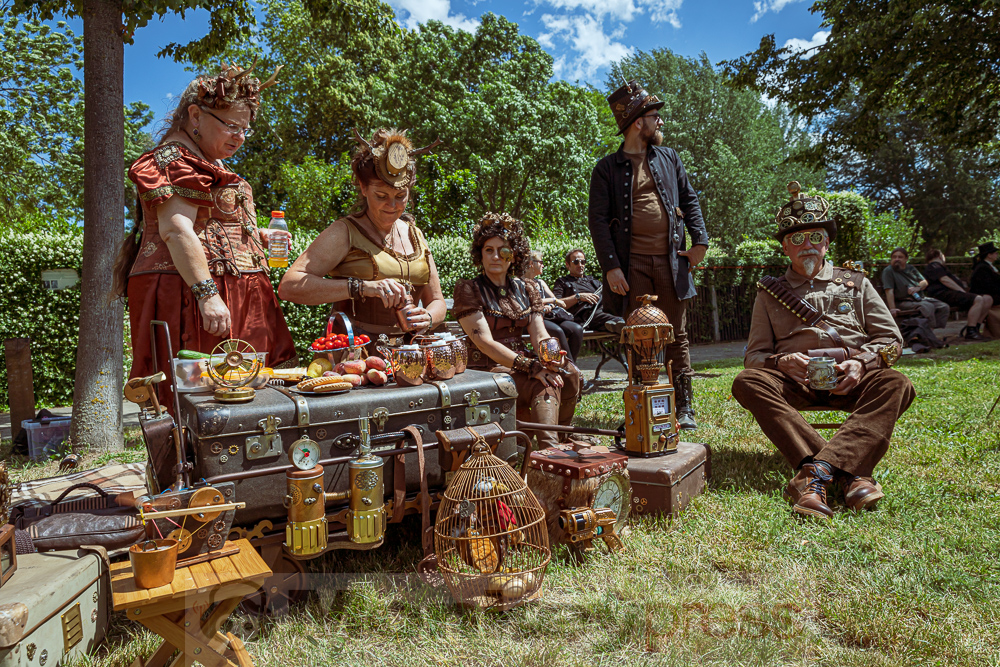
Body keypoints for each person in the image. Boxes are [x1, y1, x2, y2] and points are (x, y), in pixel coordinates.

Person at [113, 64, 296, 408]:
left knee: (247, 395)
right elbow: (176, 229)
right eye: (231, 126)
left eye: (245, 129)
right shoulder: (174, 160)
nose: (240, 137)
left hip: (236, 294)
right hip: (189, 296)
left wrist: (255, 236)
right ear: (195, 115)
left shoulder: (207, 160)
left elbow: (209, 224)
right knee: (202, 397)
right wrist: (207, 294)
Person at [731, 182, 914, 520]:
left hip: (851, 379)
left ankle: (814, 475)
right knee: (747, 382)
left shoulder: (856, 283)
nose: (808, 246)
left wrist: (862, 364)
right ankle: (850, 475)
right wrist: (781, 362)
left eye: (816, 237)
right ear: (785, 248)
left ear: (827, 243)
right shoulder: (770, 293)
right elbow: (754, 357)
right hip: (796, 383)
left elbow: (891, 340)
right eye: (797, 239)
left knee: (897, 383)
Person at [588, 79, 710, 430]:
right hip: (633, 266)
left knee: (676, 335)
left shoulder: (670, 157)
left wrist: (700, 242)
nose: (661, 122)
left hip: (672, 262)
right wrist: (611, 267)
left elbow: (690, 199)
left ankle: (684, 408)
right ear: (637, 122)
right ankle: (642, 406)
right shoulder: (606, 169)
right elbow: (598, 222)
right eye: (655, 116)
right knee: (640, 338)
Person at [278, 129, 446, 341]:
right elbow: (290, 286)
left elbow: (437, 301)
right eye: (381, 196)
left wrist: (428, 317)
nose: (392, 205)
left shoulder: (416, 235)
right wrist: (362, 287)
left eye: (400, 196)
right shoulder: (344, 232)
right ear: (363, 188)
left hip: (409, 351)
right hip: (355, 352)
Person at [453, 214, 582, 450]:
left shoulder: (527, 288)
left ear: (514, 255)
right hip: (485, 368)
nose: (495, 256)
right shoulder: (469, 289)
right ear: (480, 255)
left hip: (520, 364)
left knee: (570, 373)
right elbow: (484, 342)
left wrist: (553, 358)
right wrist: (531, 367)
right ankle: (548, 453)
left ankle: (561, 440)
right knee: (543, 383)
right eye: (488, 250)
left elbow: (540, 334)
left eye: (503, 251)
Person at [524, 250, 583, 363]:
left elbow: (556, 301)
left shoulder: (540, 282)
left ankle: (570, 365)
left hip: (549, 316)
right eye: (540, 262)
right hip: (533, 319)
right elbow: (529, 303)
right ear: (531, 263)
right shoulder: (520, 282)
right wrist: (551, 301)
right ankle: (569, 368)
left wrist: (550, 305)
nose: (543, 265)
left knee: (576, 329)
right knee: (558, 331)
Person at [551, 249, 625, 335]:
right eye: (576, 262)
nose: (580, 265)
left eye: (583, 262)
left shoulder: (593, 281)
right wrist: (578, 297)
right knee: (620, 322)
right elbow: (557, 304)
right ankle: (620, 324)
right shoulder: (562, 282)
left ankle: (616, 324)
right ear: (568, 265)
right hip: (586, 315)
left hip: (603, 311)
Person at [923, 249, 991, 340]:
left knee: (987, 299)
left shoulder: (940, 267)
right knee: (978, 299)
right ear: (940, 256)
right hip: (943, 294)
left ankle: (975, 328)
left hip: (952, 294)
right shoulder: (934, 266)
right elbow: (945, 280)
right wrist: (962, 291)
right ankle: (971, 331)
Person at [881, 247, 949, 329]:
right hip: (903, 301)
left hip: (919, 298)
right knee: (928, 307)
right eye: (894, 257)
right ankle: (929, 331)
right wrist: (892, 308)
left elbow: (924, 282)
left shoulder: (910, 268)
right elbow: (889, 291)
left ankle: (932, 330)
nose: (897, 259)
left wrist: (917, 288)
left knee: (943, 307)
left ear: (906, 259)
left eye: (900, 257)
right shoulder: (888, 271)